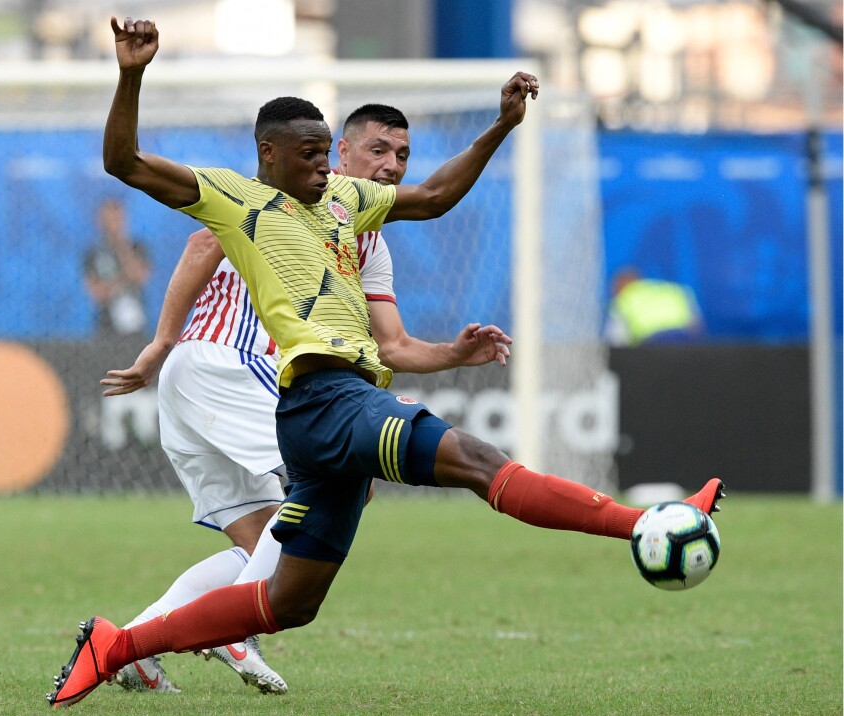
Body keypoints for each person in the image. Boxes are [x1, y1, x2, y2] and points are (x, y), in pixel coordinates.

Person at [47, 17, 725, 708]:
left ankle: (118, 644)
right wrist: (131, 74)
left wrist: (497, 129)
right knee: (479, 461)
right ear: (270, 154)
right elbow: (124, 162)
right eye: (310, 155)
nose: (321, 167)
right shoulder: (236, 199)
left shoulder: (348, 203)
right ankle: (647, 522)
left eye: (324, 155)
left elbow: (431, 198)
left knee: (285, 602)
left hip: (323, 418)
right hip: (325, 402)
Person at [100, 102, 513, 696]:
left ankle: (132, 646)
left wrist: (452, 353)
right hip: (228, 365)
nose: (392, 166)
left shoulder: (366, 240)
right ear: (339, 154)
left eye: (402, 156)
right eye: (378, 151)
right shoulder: (275, 198)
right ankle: (235, 626)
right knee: (348, 477)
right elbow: (199, 245)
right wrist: (161, 342)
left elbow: (391, 345)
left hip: (203, 387)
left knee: (266, 538)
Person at [83, 197, 151, 336]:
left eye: (117, 219)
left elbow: (139, 277)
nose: (113, 225)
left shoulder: (137, 248)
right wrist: (119, 286)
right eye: (109, 220)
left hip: (135, 321)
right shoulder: (94, 253)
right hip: (106, 324)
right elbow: (96, 293)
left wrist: (121, 245)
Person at [604, 268, 704, 346]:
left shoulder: (624, 299)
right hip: (685, 341)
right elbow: (696, 325)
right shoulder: (674, 290)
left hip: (652, 344)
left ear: (619, 286)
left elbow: (616, 341)